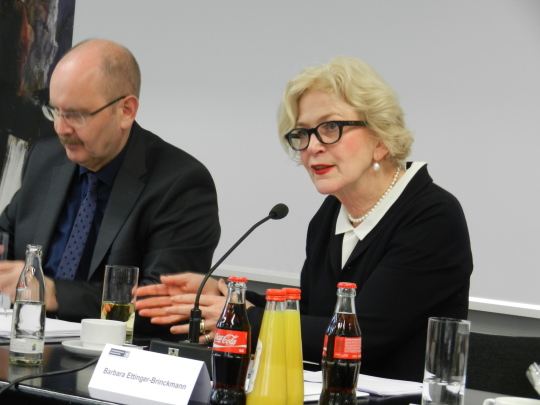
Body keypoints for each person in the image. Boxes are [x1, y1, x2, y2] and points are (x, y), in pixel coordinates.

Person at [136, 56, 473, 381]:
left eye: (330, 127)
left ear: (381, 139)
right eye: (303, 134)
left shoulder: (432, 217)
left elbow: (360, 337)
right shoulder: (331, 215)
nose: (312, 146)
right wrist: (231, 295)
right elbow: (312, 318)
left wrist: (242, 318)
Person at [0, 39, 221, 339]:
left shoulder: (180, 183)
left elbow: (162, 308)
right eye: (55, 111)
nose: (61, 129)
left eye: (76, 115)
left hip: (115, 363)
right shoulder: (46, 157)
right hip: (24, 343)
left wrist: (54, 293)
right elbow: (8, 235)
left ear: (126, 110)